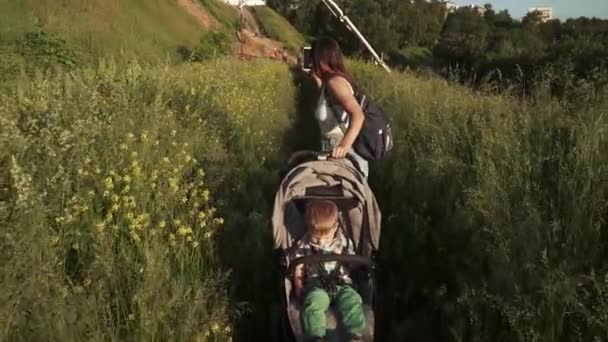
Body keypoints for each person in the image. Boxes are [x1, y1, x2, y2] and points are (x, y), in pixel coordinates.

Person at [290, 200, 366, 342]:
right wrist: (298, 285)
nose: (320, 242)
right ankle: (316, 335)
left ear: (336, 227)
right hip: (316, 284)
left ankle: (356, 334)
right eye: (315, 238)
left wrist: (345, 258)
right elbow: (298, 266)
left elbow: (354, 264)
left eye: (325, 238)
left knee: (353, 300)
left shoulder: (343, 242)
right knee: (313, 303)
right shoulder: (304, 244)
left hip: (341, 282)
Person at [307, 37, 369, 178]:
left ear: (321, 59)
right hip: (330, 150)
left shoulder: (335, 83)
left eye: (313, 57)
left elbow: (358, 116)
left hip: (345, 158)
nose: (311, 62)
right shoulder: (329, 82)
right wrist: (316, 79)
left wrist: (343, 148)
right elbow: (328, 105)